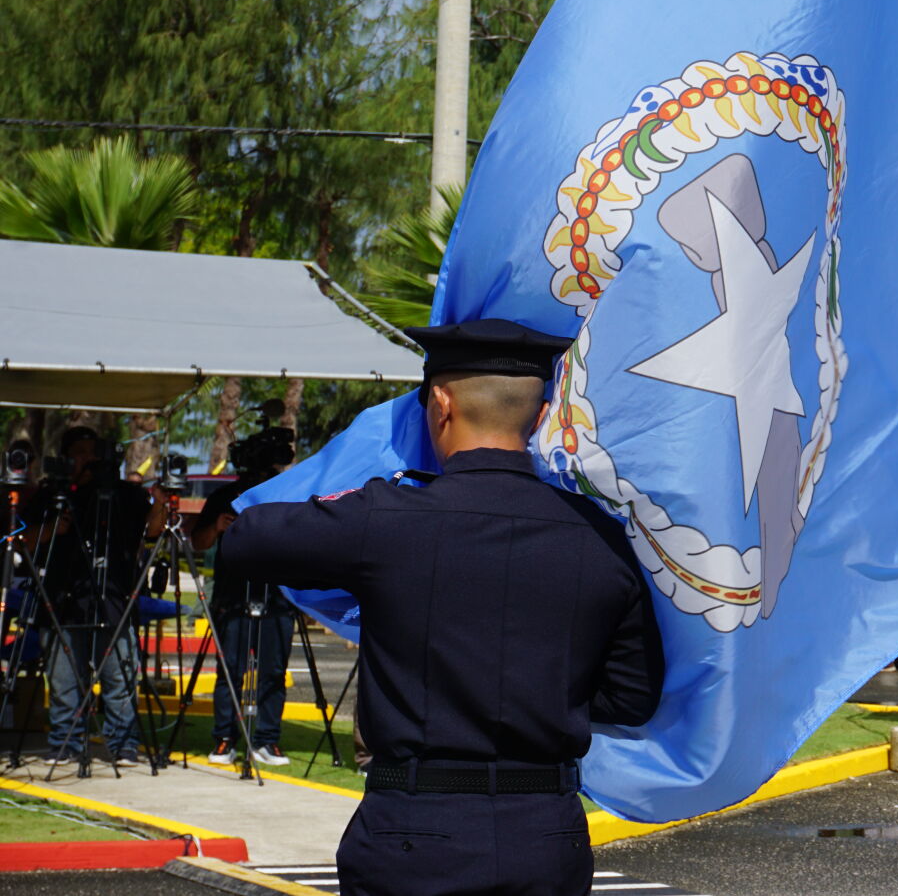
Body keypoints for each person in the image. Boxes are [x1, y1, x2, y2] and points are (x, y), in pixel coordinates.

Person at [220, 320, 665, 896]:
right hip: (546, 835)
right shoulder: (603, 540)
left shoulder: (387, 519)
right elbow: (632, 698)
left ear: (440, 404)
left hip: (416, 831)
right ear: (538, 414)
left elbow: (243, 538)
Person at [23, 426, 165, 767]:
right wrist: (53, 529)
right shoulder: (53, 493)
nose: (88, 459)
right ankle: (65, 744)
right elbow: (24, 539)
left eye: (93, 452)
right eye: (80, 452)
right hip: (62, 600)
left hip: (114, 601)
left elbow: (152, 532)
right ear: (67, 457)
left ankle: (123, 745)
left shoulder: (124, 494)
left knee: (119, 678)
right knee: (64, 680)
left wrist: (160, 502)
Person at [191, 470, 298, 767]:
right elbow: (198, 542)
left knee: (273, 673)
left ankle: (267, 739)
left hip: (276, 598)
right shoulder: (223, 498)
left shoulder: (288, 493)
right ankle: (224, 738)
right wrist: (218, 526)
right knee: (229, 672)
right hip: (232, 597)